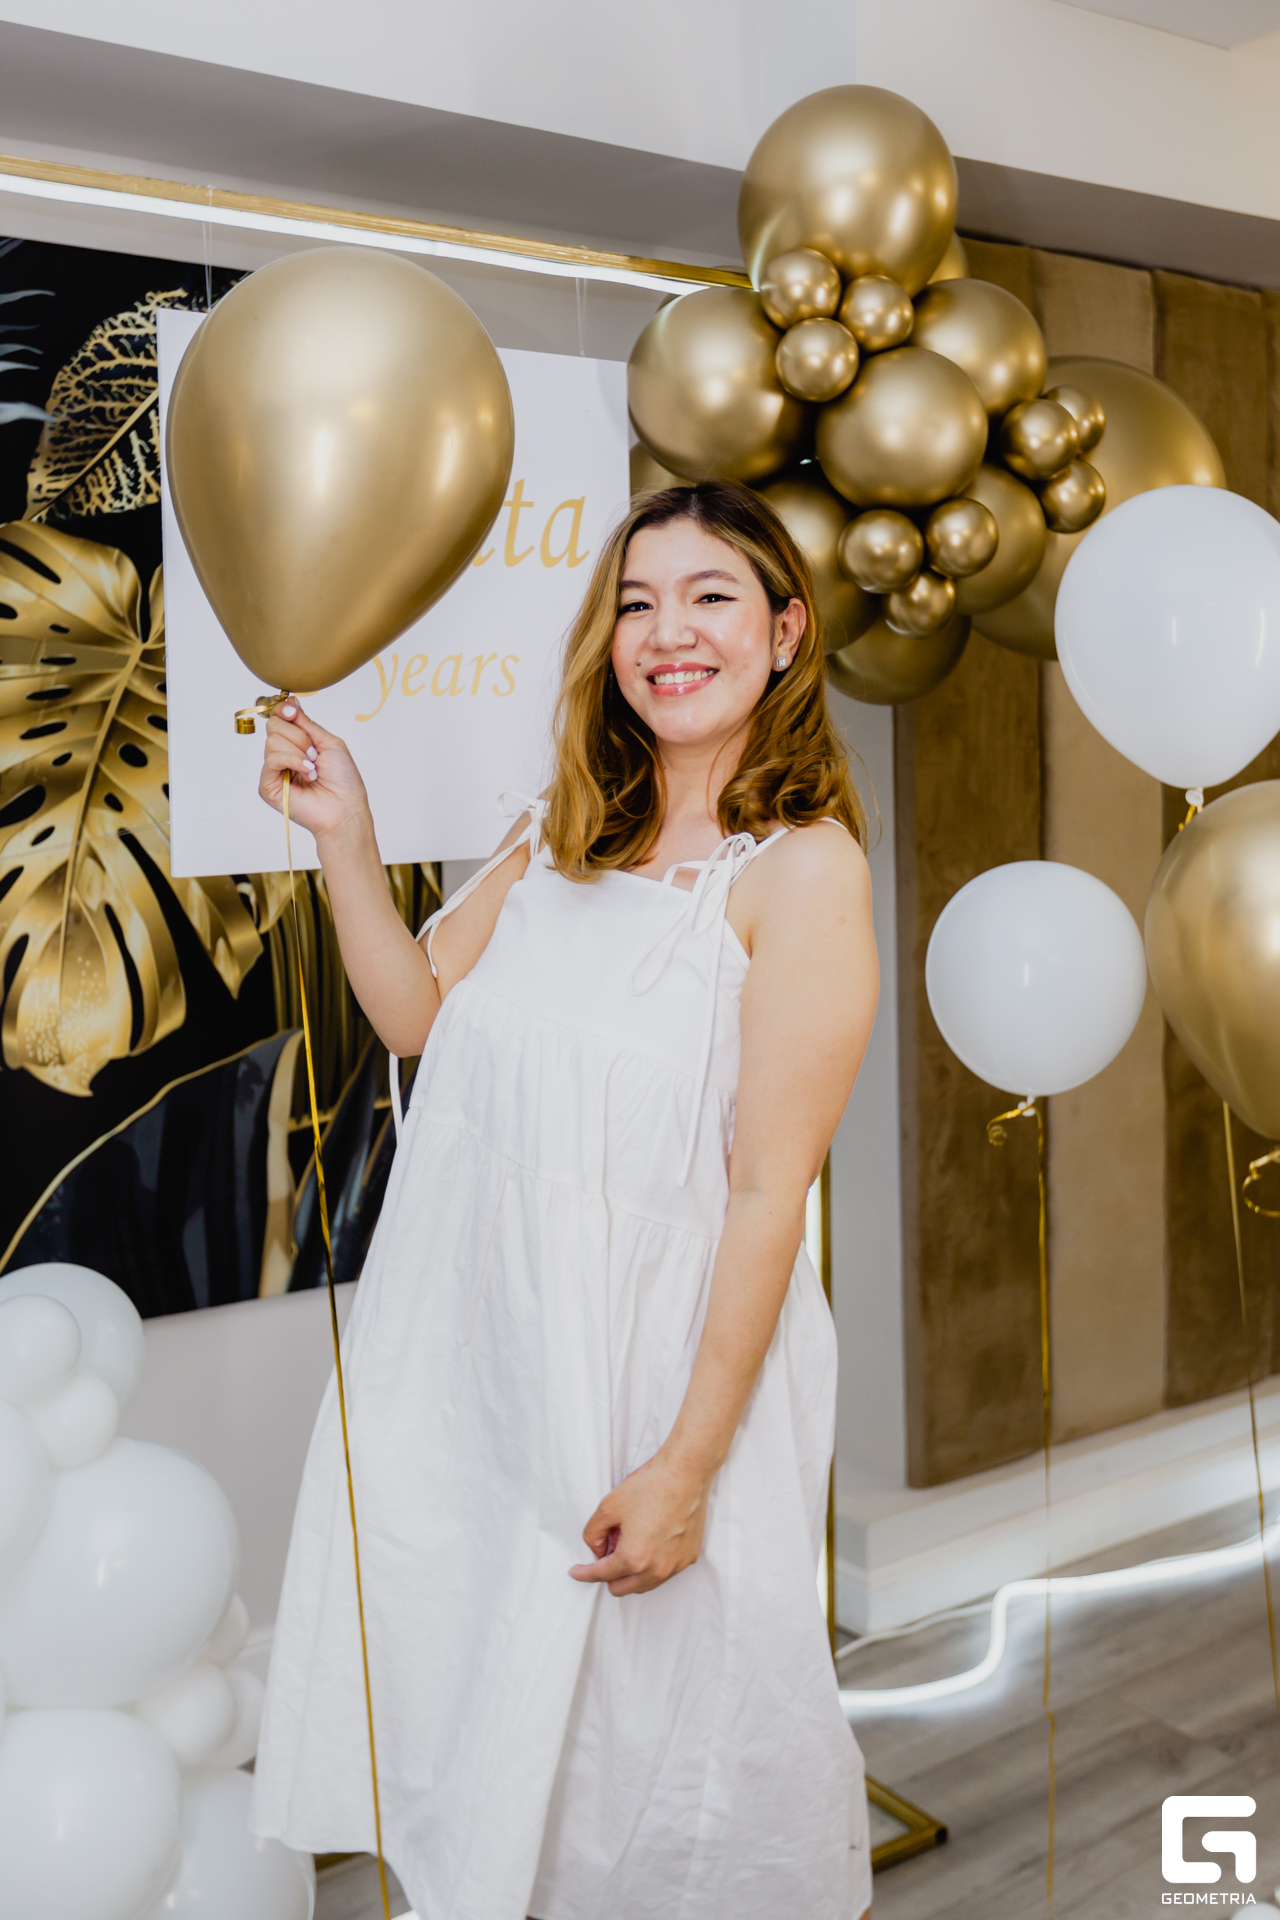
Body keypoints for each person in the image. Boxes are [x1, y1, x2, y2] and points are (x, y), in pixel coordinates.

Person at [250, 478, 879, 1920]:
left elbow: (769, 1196)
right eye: (637, 603)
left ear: (785, 632)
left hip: (657, 1390)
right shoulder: (559, 831)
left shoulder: (802, 873)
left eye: (711, 597)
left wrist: (684, 1469)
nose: (668, 632)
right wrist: (346, 833)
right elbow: (417, 1016)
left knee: (649, 1784)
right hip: (486, 1364)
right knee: (485, 1749)